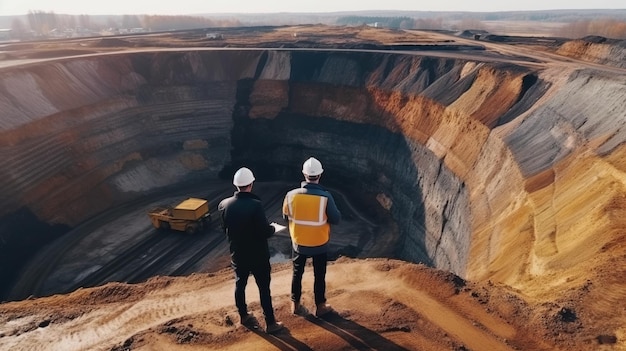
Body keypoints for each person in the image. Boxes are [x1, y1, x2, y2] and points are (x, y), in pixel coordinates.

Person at [218, 167, 283, 334]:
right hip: (258, 256)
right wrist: (273, 229)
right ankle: (270, 323)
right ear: (251, 184)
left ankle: (243, 316)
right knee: (264, 288)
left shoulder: (223, 205)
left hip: (238, 254)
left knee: (240, 284)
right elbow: (263, 231)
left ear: (236, 185)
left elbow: (225, 228)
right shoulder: (255, 205)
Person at [282, 157, 342, 317]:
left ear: (304, 174)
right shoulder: (326, 197)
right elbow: (336, 219)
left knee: (297, 272)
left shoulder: (291, 195)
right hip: (319, 243)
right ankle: (321, 306)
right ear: (320, 175)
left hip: (299, 242)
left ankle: (294, 304)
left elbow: (285, 216)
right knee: (319, 275)